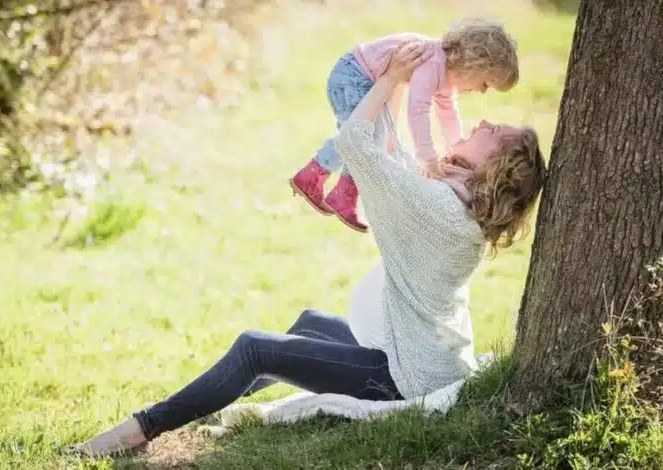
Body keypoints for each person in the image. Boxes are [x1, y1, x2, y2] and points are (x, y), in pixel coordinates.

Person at [72, 41, 546, 458]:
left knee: (255, 348)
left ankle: (140, 429)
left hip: (405, 378)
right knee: (308, 324)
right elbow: (397, 160)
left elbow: (356, 143)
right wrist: (397, 84)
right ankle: (208, 399)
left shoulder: (438, 208)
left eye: (495, 131)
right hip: (423, 355)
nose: (484, 121)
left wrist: (387, 79)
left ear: (495, 166)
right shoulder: (454, 203)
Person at [290, 17, 519, 232]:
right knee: (362, 136)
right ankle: (327, 184)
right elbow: (417, 111)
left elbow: (448, 114)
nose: (482, 92)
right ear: (476, 64)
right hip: (353, 77)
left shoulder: (445, 74)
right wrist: (428, 158)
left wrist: (456, 148)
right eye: (486, 84)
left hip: (360, 79)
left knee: (365, 137)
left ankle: (333, 187)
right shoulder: (433, 62)